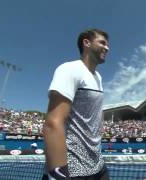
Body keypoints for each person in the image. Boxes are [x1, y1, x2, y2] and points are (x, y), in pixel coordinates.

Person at [42, 29, 110, 180]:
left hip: (97, 166)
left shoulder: (98, 77)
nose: (107, 48)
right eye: (102, 43)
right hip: (72, 171)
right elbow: (53, 123)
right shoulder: (70, 69)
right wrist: (58, 175)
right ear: (87, 43)